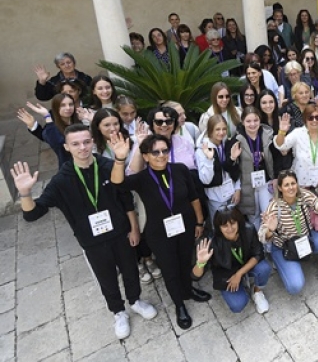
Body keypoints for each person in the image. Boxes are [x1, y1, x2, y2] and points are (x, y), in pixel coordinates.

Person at [11, 126, 158, 339]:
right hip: (93, 243)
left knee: (130, 271)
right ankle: (118, 312)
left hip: (121, 234)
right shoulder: (61, 180)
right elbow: (33, 214)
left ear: (93, 142)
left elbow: (126, 199)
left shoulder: (107, 165)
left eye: (86, 142)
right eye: (76, 144)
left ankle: (135, 301)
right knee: (106, 278)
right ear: (66, 147)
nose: (82, 148)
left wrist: (134, 228)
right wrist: (25, 193)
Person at [113, 134, 208, 329]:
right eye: (155, 152)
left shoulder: (180, 170)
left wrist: (199, 222)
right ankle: (179, 305)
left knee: (184, 261)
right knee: (170, 268)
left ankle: (188, 290)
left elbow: (194, 197)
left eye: (165, 150)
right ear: (146, 156)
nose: (161, 155)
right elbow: (117, 184)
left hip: (185, 225)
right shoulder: (141, 179)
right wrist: (120, 158)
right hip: (159, 232)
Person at [259, 170, 318, 293]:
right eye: (286, 185)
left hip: (306, 238)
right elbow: (262, 236)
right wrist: (270, 230)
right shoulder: (274, 206)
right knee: (295, 286)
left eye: (293, 183)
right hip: (284, 246)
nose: (291, 187)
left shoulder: (304, 195)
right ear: (280, 188)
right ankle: (279, 263)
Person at [194, 208, 271, 314]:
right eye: (224, 226)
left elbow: (258, 254)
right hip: (227, 274)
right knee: (237, 305)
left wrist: (239, 274)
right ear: (218, 227)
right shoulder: (212, 243)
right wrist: (200, 262)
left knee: (264, 268)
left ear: (238, 222)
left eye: (233, 223)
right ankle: (241, 285)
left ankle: (257, 291)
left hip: (245, 264)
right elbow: (195, 276)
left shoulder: (248, 229)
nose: (230, 229)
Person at [274, 103, 318, 189]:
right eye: (310, 118)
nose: (314, 120)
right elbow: (281, 146)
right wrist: (282, 131)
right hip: (300, 186)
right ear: (305, 119)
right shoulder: (297, 133)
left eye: (317, 117)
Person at [236, 106, 276, 229]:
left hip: (265, 182)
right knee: (254, 218)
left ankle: (268, 247)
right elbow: (232, 168)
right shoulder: (236, 139)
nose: (252, 124)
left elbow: (278, 156)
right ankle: (257, 245)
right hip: (248, 185)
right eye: (248, 121)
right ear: (242, 122)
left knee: (268, 214)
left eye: (256, 120)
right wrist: (232, 159)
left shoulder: (268, 134)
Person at [196, 115, 242, 220]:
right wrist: (209, 160)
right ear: (210, 130)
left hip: (232, 193)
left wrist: (237, 188)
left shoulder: (226, 144)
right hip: (215, 198)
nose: (221, 132)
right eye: (217, 129)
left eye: (224, 129)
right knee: (219, 227)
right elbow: (206, 180)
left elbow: (235, 169)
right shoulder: (202, 149)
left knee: (234, 224)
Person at [19, 96, 79, 167]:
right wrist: (45, 118)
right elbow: (55, 141)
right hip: (70, 166)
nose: (68, 108)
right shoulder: (53, 125)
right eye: (63, 105)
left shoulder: (80, 119)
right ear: (56, 108)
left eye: (71, 104)